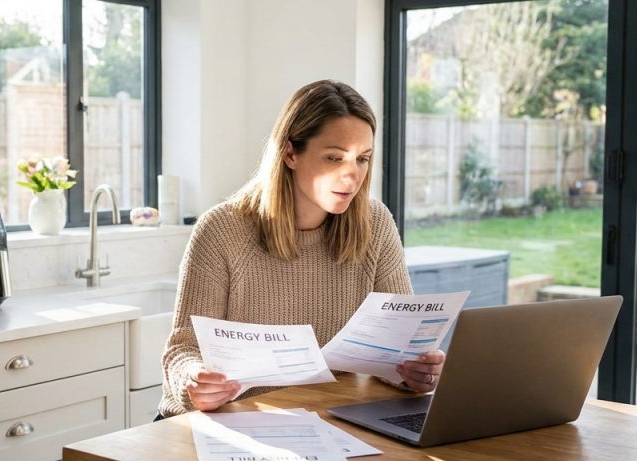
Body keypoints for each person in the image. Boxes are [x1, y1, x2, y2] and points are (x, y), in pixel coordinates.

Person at [158, 80, 445, 418]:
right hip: (234, 424)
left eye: (362, 159)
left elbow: (401, 349)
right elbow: (183, 349)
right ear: (290, 153)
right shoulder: (222, 231)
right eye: (334, 158)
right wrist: (194, 380)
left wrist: (416, 373)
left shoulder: (375, 223)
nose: (352, 177)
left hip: (330, 424)